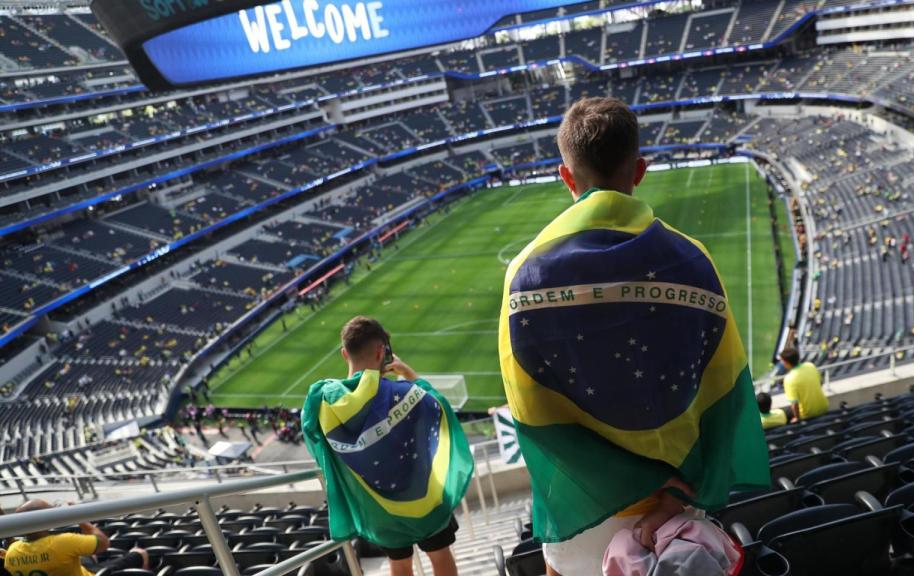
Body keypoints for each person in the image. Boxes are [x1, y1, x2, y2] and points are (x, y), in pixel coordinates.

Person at [498, 97, 769, 575]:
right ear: (639, 169)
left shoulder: (525, 275)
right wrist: (679, 494)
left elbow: (529, 412)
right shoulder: (693, 259)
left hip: (584, 512)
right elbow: (725, 390)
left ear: (566, 177)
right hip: (673, 509)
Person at [302, 316, 473, 576]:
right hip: (425, 500)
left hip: (378, 511)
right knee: (440, 555)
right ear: (382, 352)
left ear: (344, 353)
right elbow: (438, 406)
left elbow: (314, 440)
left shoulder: (325, 405)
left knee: (400, 564)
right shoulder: (405, 392)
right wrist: (410, 375)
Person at [3, 499, 148, 576]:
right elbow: (103, 543)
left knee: (88, 556)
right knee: (140, 552)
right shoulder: (63, 542)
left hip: (70, 568)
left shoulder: (12, 552)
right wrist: (77, 516)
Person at [780, 347, 828, 422]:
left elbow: (794, 404)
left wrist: (797, 418)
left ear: (786, 362)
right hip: (824, 408)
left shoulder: (789, 379)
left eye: (782, 361)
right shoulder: (810, 366)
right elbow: (820, 383)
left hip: (808, 415)